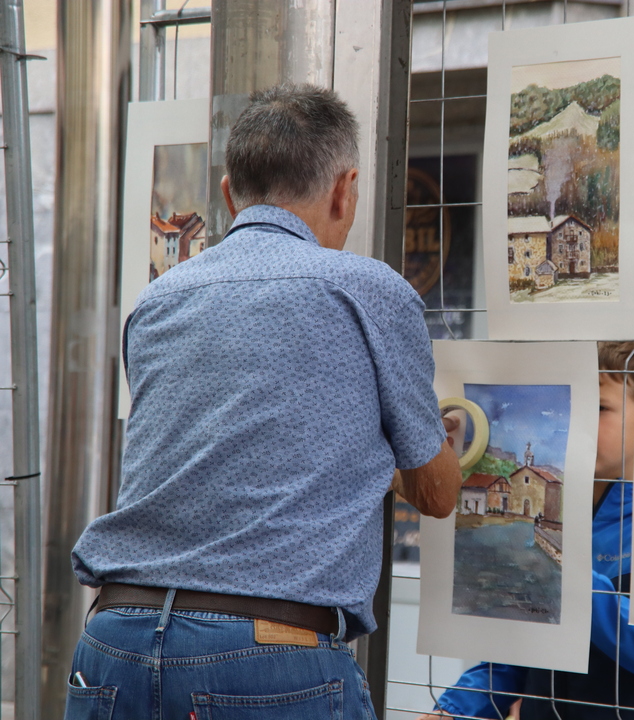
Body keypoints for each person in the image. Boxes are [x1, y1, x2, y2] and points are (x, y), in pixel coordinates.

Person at [64, 83, 462, 719]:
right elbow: (436, 494)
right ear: (345, 190)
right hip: (267, 654)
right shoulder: (369, 290)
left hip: (114, 639)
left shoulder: (159, 299)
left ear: (228, 195)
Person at [422, 341, 634, 720]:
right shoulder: (562, 511)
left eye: (600, 408)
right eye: (574, 406)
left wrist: (567, 583)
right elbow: (520, 647)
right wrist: (455, 709)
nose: (580, 421)